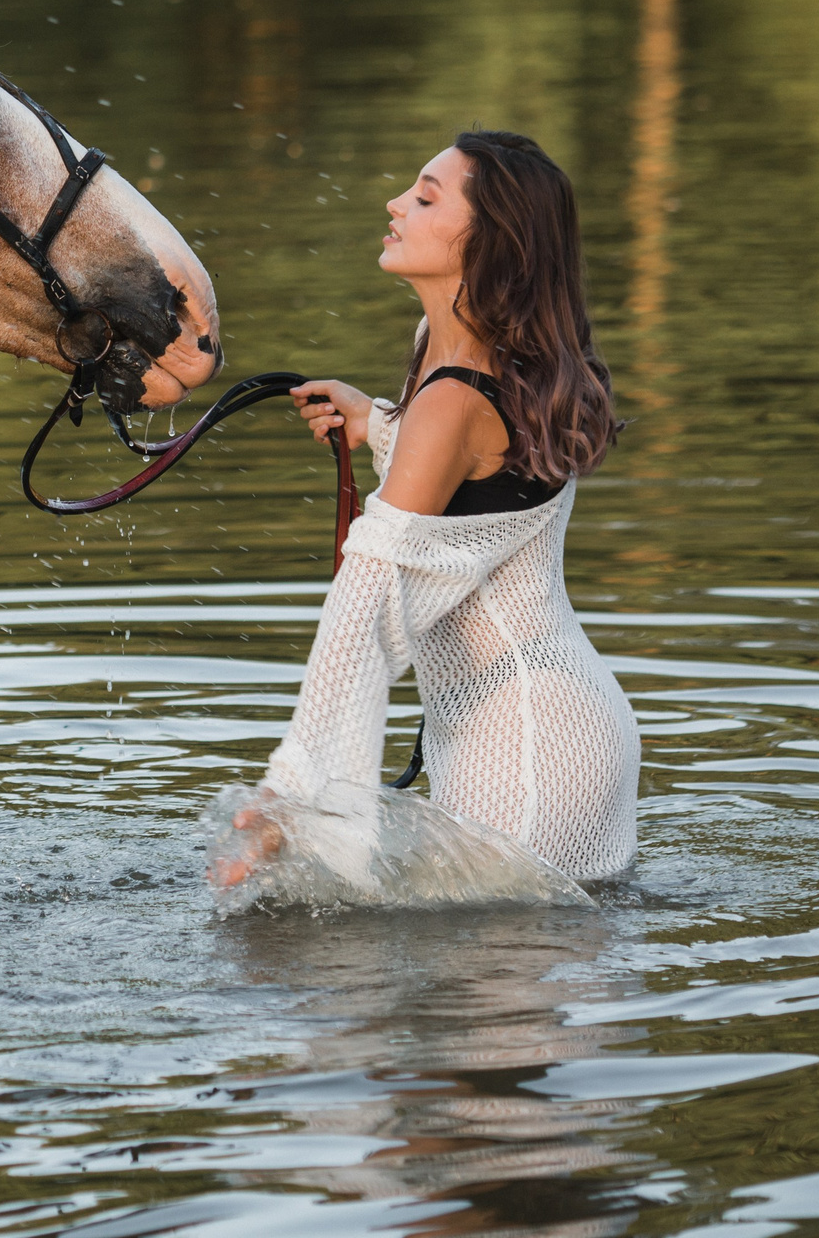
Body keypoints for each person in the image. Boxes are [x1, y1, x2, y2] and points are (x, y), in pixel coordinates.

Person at [211, 130, 639, 891]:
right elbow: (484, 481)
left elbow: (365, 599)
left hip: (522, 744)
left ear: (491, 241)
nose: (395, 203)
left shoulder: (451, 400)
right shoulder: (481, 359)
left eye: (426, 195)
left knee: (493, 983)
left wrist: (293, 786)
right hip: (562, 722)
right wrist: (377, 423)